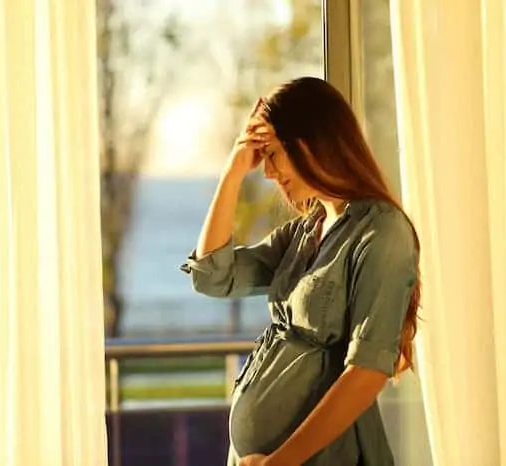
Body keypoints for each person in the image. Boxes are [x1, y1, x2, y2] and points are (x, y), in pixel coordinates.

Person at [180, 76, 421, 466]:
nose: (268, 172)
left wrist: (279, 464)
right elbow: (212, 275)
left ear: (309, 144)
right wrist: (233, 172)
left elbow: (366, 373)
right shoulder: (306, 230)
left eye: (272, 154)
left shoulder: (382, 232)